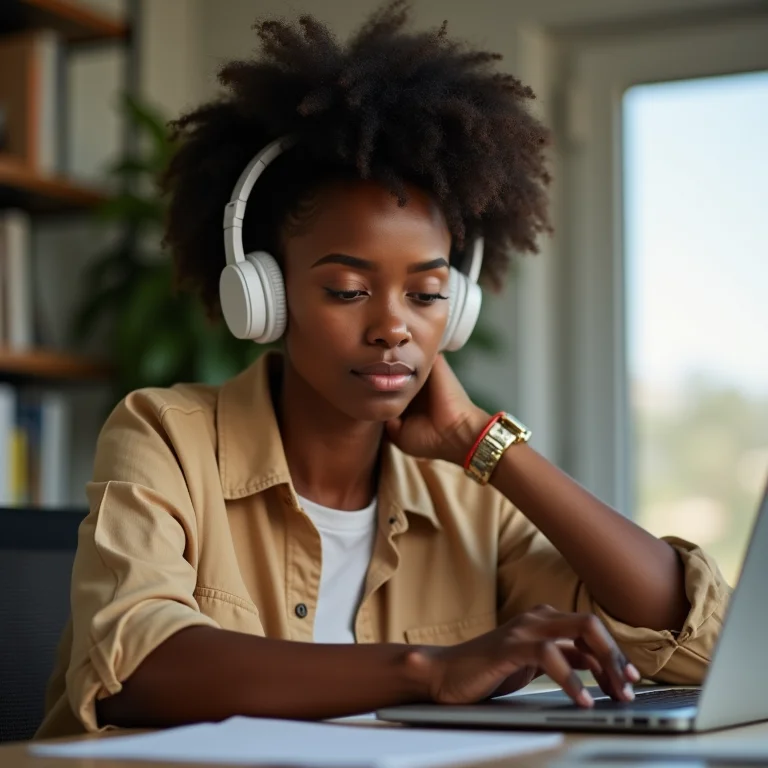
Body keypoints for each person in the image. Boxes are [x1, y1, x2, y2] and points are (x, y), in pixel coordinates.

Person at [37, 0, 730, 738]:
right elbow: (138, 668)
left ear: (456, 309)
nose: (394, 327)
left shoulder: (468, 495)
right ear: (264, 297)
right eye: (347, 290)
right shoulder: (166, 436)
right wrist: (429, 669)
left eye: (428, 294)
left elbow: (690, 645)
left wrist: (484, 440)